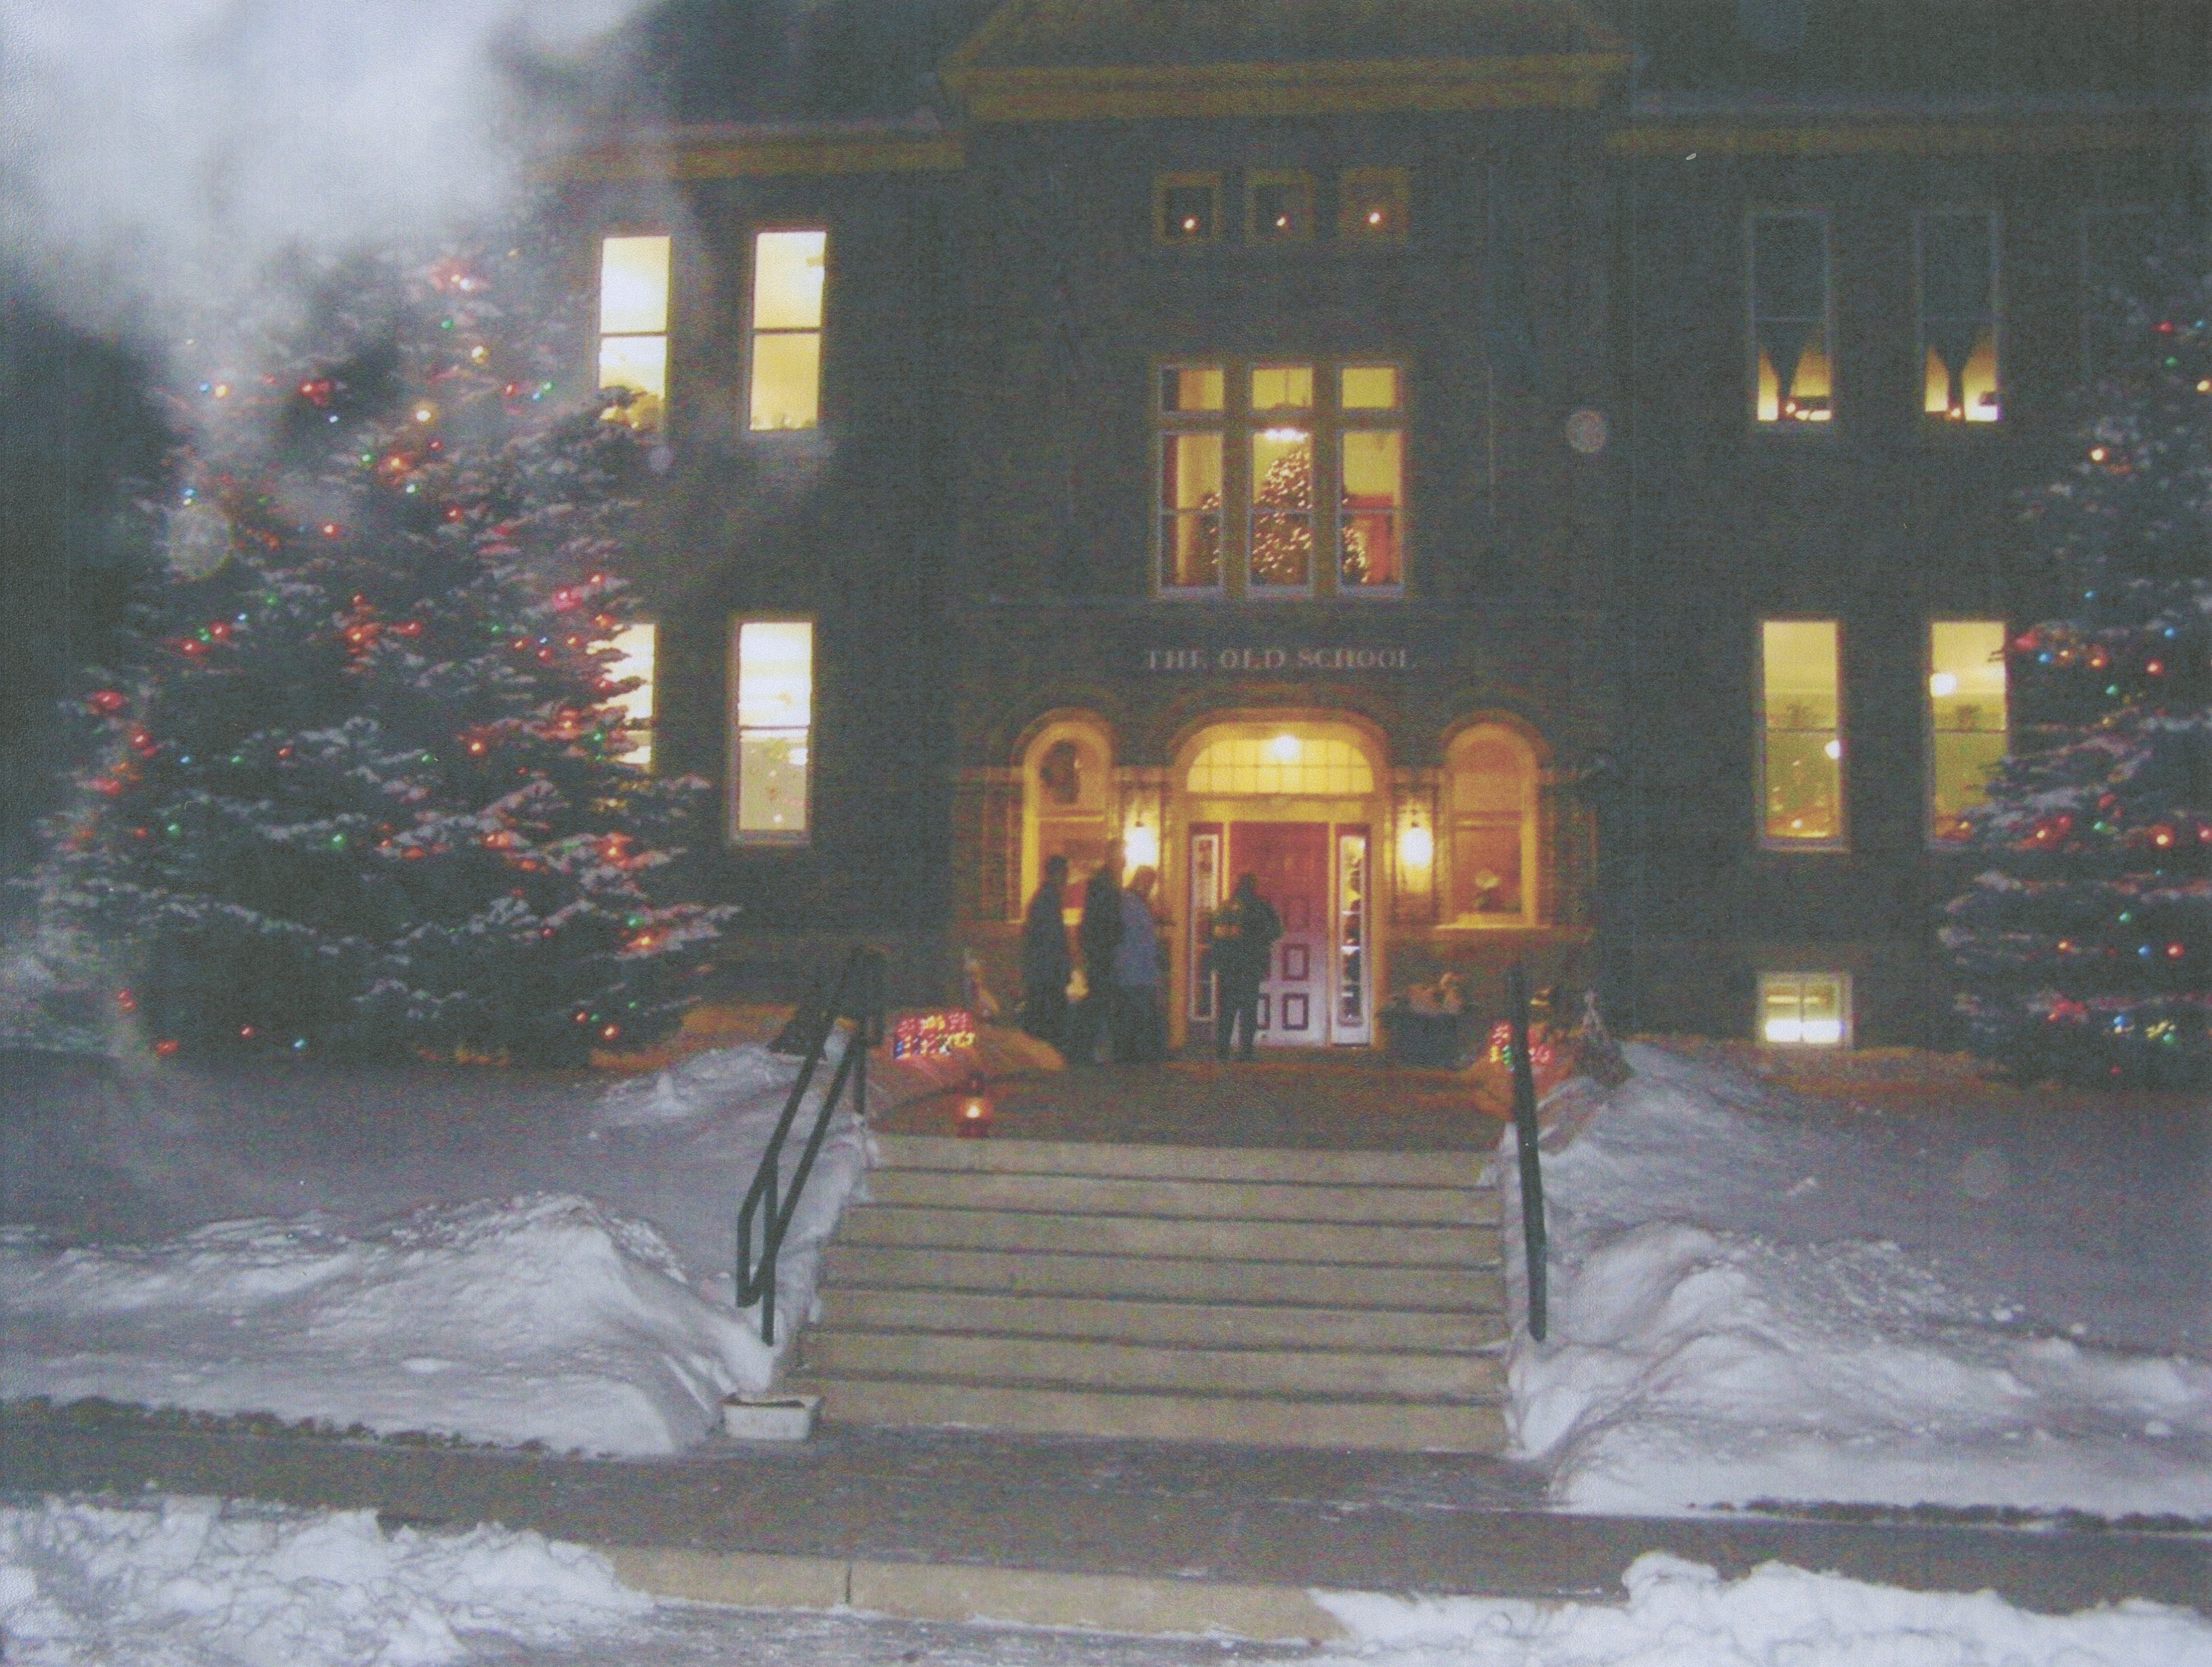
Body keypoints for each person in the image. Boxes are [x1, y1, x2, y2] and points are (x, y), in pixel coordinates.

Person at [1210, 872, 1280, 1062]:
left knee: (1227, 1009)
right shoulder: (1261, 907)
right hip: (1250, 964)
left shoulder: (1225, 908)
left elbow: (1215, 936)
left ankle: (1223, 1051)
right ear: (1253, 887)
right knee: (1249, 1009)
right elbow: (1276, 931)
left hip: (1228, 966)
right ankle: (1246, 1051)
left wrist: (1217, 962)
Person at [1070, 845, 1124, 1065]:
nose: (1123, 863)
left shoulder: (1103, 883)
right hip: (1102, 953)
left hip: (1099, 952)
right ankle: (1092, 1050)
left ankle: (1091, 1050)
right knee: (1100, 1001)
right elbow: (1107, 921)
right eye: (1121, 858)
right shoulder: (1106, 885)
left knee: (1099, 1000)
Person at [1018, 854, 1072, 1053]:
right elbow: (1051, 940)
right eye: (1064, 873)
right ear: (1057, 873)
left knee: (1042, 1015)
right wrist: (1062, 967)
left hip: (1043, 972)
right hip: (1048, 973)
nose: (1067, 878)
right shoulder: (1048, 900)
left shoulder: (1044, 898)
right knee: (1048, 1018)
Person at [1112, 866, 1165, 1064]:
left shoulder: (1136, 903)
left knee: (1139, 1014)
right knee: (1136, 1013)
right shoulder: (1128, 902)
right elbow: (1137, 935)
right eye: (1148, 882)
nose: (1150, 887)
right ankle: (1133, 1055)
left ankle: (1137, 1054)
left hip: (1139, 969)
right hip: (1132, 969)